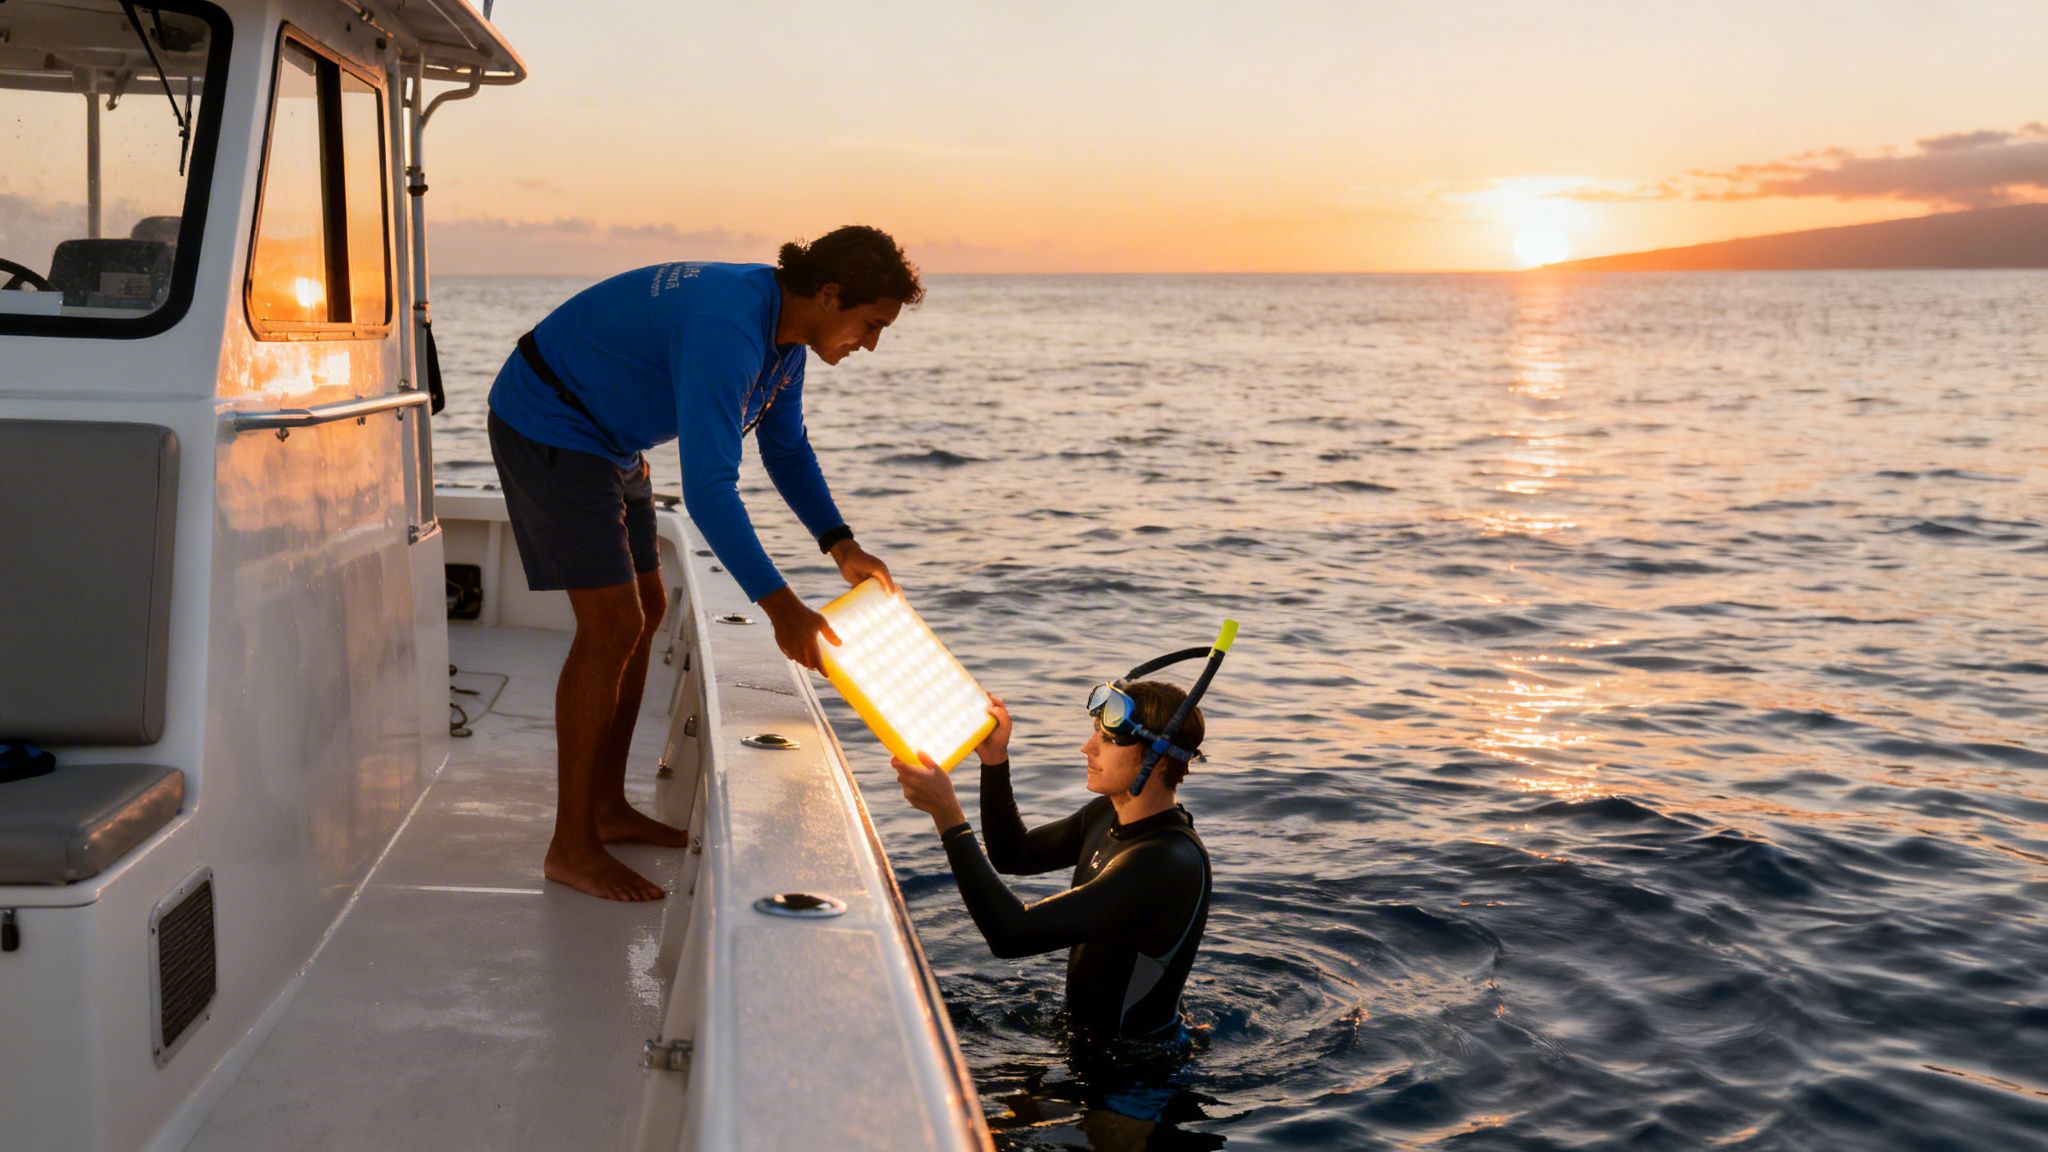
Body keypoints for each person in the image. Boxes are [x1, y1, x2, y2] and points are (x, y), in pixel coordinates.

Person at [487, 225, 921, 901]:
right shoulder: (729, 330)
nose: (871, 344)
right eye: (870, 325)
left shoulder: (786, 338)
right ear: (831, 294)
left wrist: (841, 544)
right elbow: (710, 491)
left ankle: (606, 808)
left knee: (648, 612)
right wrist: (782, 611)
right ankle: (570, 845)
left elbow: (787, 450)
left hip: (612, 439)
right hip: (550, 420)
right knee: (610, 627)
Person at [892, 674, 1216, 1048]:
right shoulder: (1106, 814)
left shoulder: (1165, 863)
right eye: (1094, 732)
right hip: (1087, 1045)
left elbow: (1012, 934)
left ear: (1158, 760)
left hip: (1135, 1072)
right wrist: (995, 761)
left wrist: (947, 816)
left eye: (1107, 739)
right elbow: (1014, 854)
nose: (1086, 748)